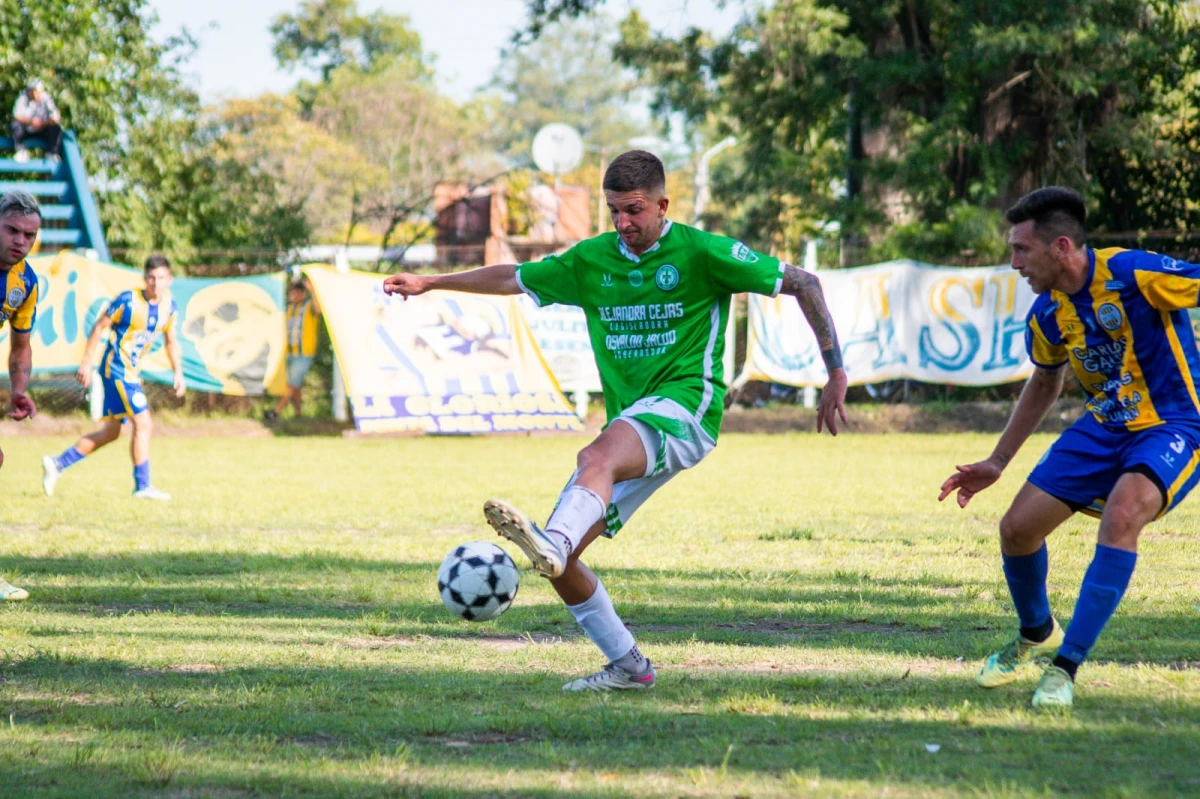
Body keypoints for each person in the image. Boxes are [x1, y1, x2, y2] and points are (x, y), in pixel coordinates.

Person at [384, 150, 848, 691]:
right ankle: (629, 667)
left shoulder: (702, 252)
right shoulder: (592, 260)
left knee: (592, 460)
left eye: (634, 210)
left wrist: (835, 371)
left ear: (662, 205)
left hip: (686, 406)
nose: (624, 224)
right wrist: (433, 282)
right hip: (635, 420)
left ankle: (552, 540)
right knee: (560, 562)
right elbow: (514, 276)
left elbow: (805, 283)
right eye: (614, 213)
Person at [939, 186, 1200, 709]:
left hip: (1172, 424)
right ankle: (1037, 631)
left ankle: (1065, 667)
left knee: (1123, 514)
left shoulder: (1133, 273)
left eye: (1021, 249)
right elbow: (1043, 383)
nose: (1013, 263)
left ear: (1061, 247)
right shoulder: (1047, 314)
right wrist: (996, 462)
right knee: (1016, 530)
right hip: (1103, 426)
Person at [42, 255, 185, 500]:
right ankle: (142, 486)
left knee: (111, 433)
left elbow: (171, 341)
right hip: (117, 371)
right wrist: (86, 363)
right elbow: (99, 327)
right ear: (144, 278)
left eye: (160, 277)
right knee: (144, 424)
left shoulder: (168, 308)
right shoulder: (128, 301)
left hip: (131, 373)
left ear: (169, 280)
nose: (155, 282)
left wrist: (178, 372)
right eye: (151, 277)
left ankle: (57, 464)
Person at [0, 190, 42, 601]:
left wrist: (18, 390)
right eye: (12, 230)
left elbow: (21, 345)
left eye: (29, 235)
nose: (20, 241)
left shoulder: (25, 282)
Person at [265, 277, 320, 421]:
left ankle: (275, 412)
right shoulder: (290, 309)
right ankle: (298, 414)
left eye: (295, 293)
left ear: (302, 294)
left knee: (291, 384)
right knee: (296, 385)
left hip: (304, 353)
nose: (292, 296)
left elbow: (318, 309)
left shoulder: (308, 306)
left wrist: (312, 290)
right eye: (291, 293)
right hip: (291, 353)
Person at [10, 79, 63, 163]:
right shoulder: (22, 97)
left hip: (43, 130)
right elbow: (15, 116)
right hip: (26, 130)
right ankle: (20, 151)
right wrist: (31, 122)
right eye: (32, 91)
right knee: (15, 126)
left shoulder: (46, 98)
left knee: (55, 128)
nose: (34, 94)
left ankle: (52, 153)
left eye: (36, 91)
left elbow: (56, 118)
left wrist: (42, 123)